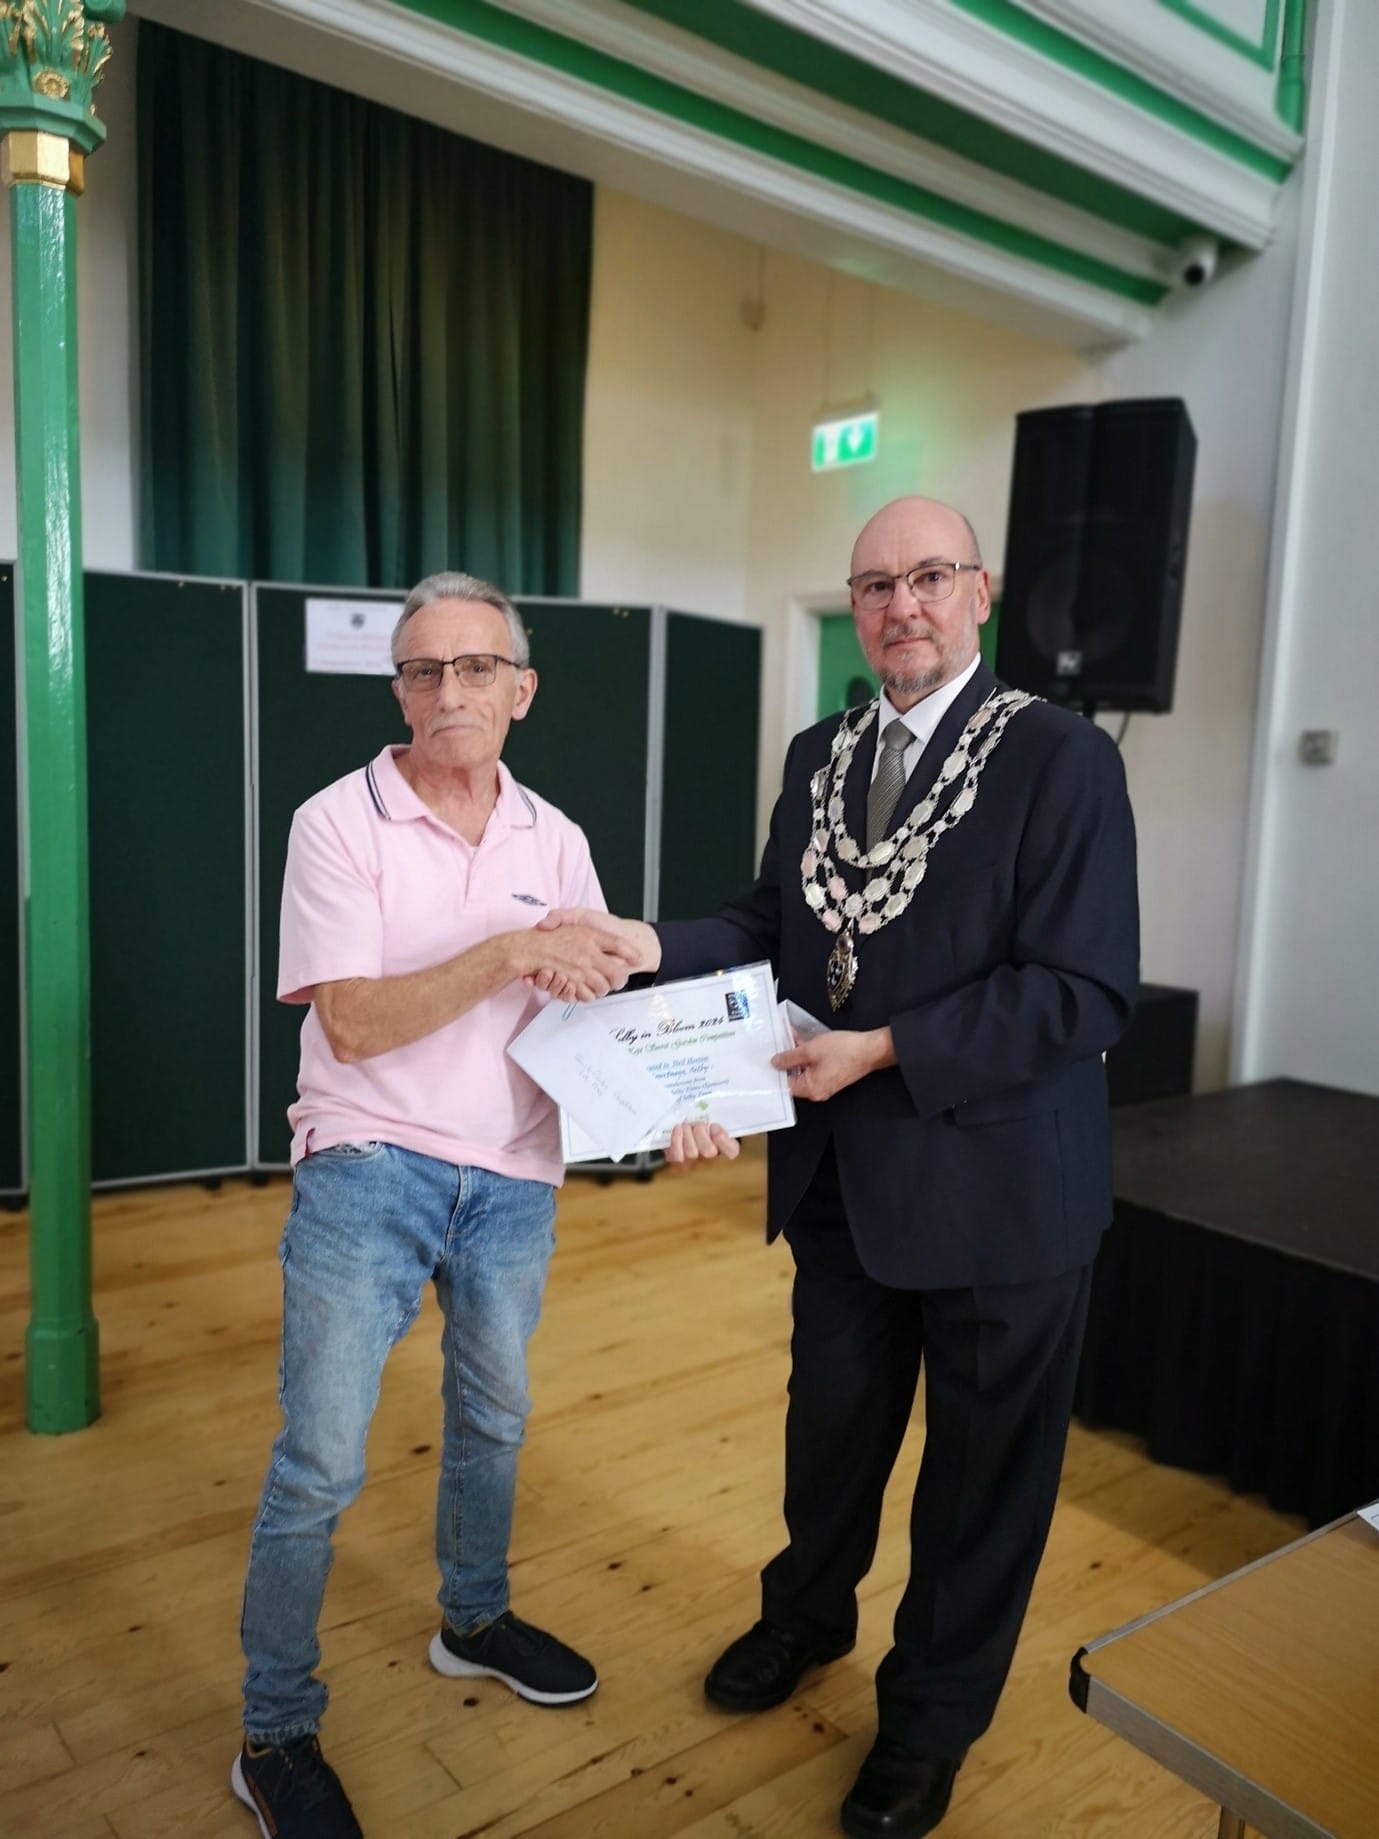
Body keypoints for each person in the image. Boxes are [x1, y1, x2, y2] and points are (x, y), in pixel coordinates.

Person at [542, 496, 1139, 1838]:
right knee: (827, 1441)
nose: (898, 604)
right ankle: (801, 1618)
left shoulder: (1058, 760)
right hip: (839, 1186)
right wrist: (649, 943)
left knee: (979, 1485)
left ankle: (926, 1721)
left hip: (999, 1200)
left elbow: (1082, 989)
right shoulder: (819, 751)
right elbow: (774, 921)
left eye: (927, 575)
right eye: (873, 583)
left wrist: (881, 1047)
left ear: (978, 591)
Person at [232, 571, 639, 1839]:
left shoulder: (555, 838)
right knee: (321, 1458)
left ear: (521, 689)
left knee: (495, 1420)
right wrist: (510, 951)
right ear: (399, 689)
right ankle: (275, 1730)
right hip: (372, 1159)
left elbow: (589, 1011)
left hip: (513, 1174)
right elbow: (351, 1021)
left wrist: (670, 1097)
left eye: (475, 670)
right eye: (424, 671)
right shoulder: (335, 823)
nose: (448, 692)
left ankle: (473, 1619)